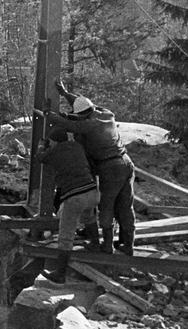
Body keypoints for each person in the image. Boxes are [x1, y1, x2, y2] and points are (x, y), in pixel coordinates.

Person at [33, 81, 136, 255]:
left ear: (83, 116)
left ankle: (107, 246)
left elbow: (71, 125)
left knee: (107, 205)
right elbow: (81, 109)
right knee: (126, 205)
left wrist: (47, 114)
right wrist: (65, 94)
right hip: (126, 162)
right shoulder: (105, 113)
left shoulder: (89, 125)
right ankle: (128, 245)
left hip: (110, 167)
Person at [33, 127, 100, 278]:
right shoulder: (77, 146)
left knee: (65, 235)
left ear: (54, 142)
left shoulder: (55, 151)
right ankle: (95, 243)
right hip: (93, 192)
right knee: (89, 216)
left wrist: (42, 146)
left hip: (75, 197)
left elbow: (39, 158)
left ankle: (60, 274)